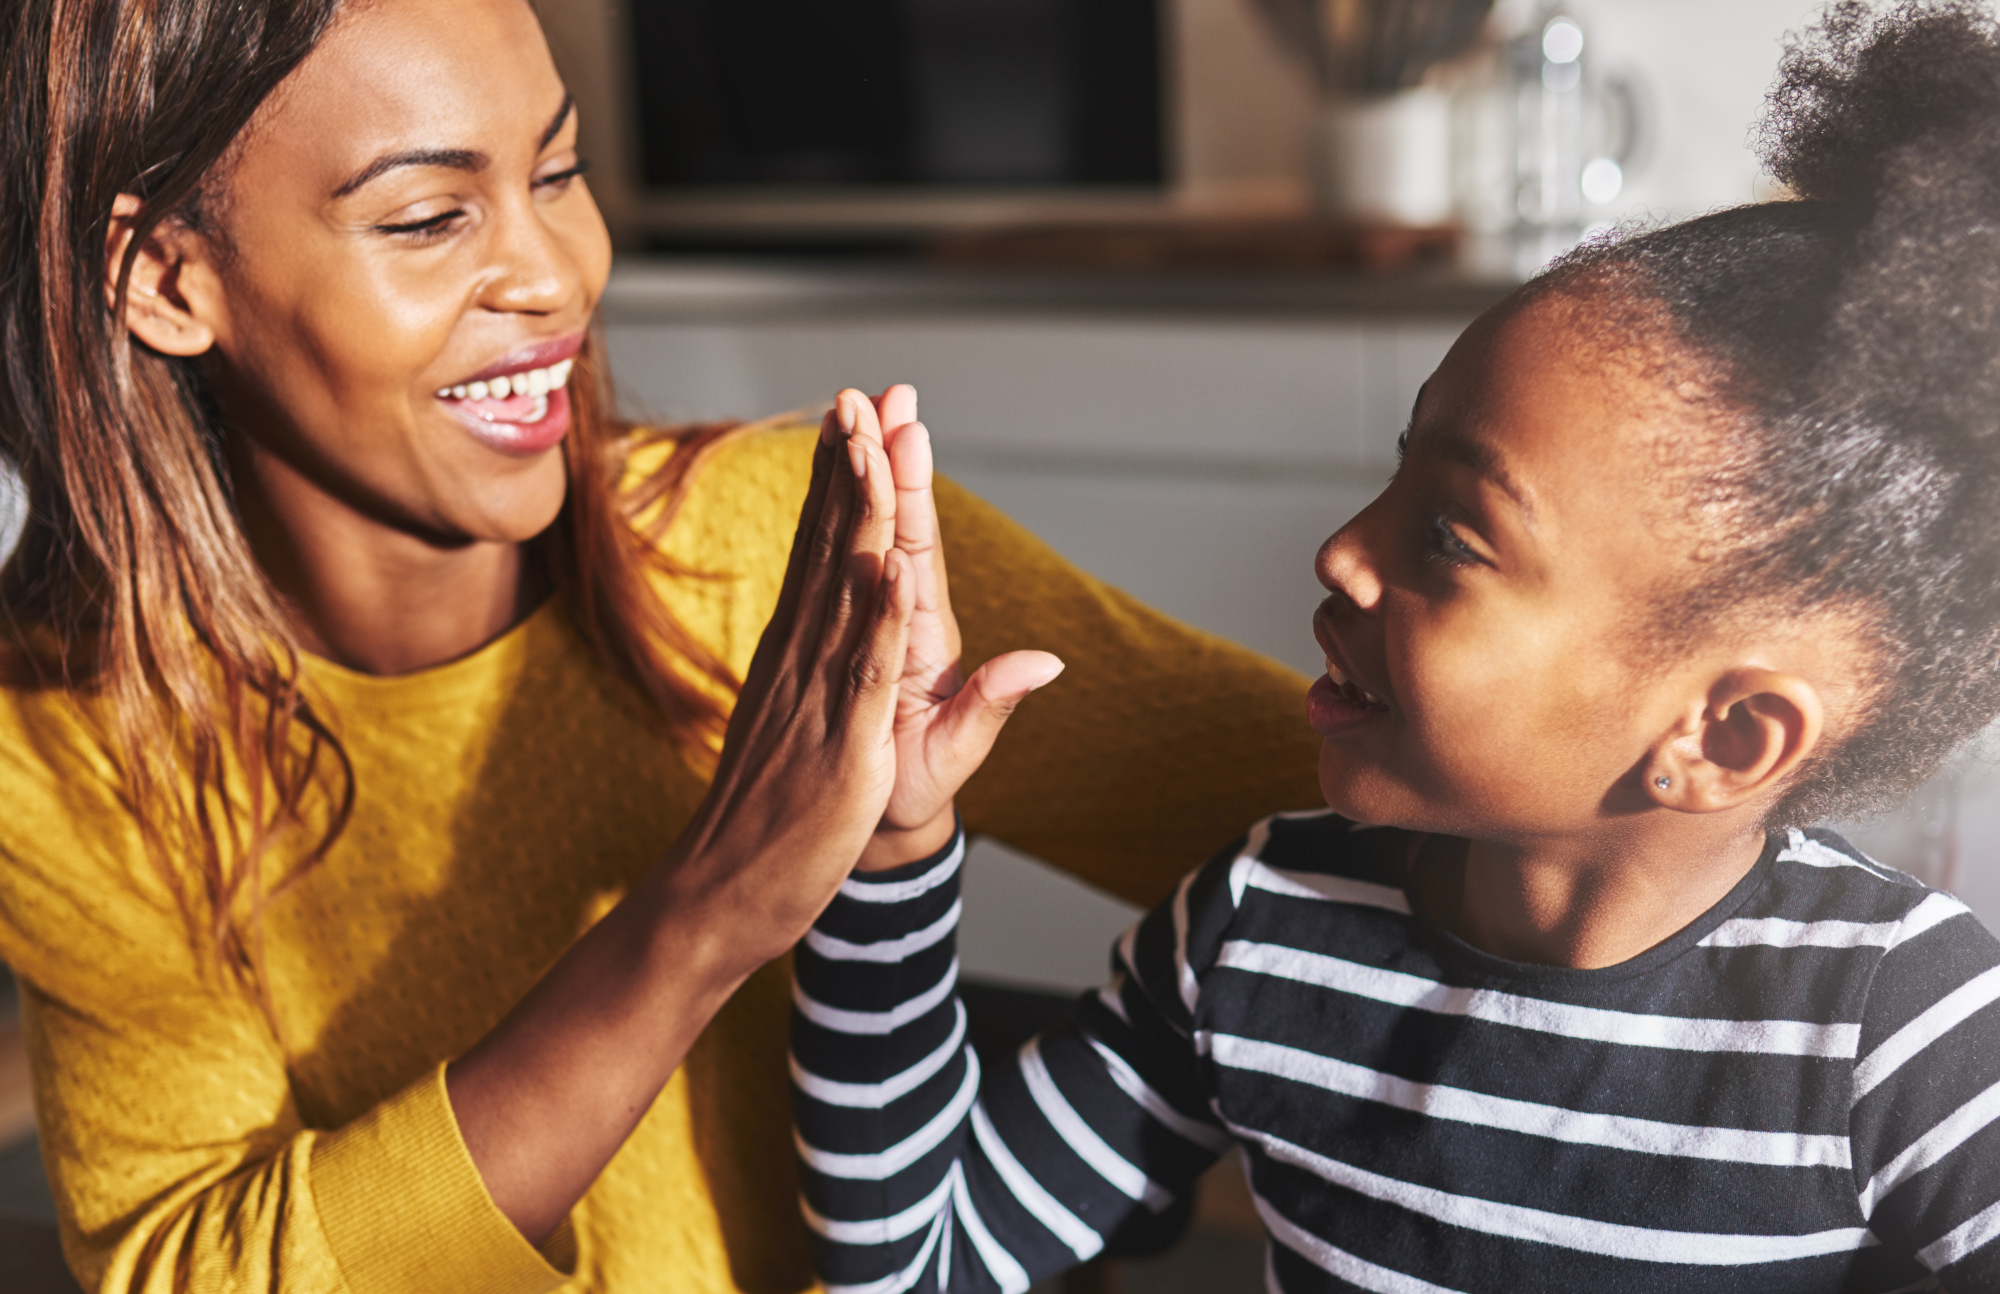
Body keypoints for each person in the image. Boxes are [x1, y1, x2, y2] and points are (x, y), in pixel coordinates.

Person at [0, 0, 1322, 1290]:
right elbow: (190, 1265)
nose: (558, 271)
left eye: (559, 170)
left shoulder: (794, 542)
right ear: (164, 276)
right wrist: (704, 915)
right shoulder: (56, 741)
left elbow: (1409, 818)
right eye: (427, 216)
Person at [791, 3, 2000, 1290]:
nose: (1342, 549)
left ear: (1722, 737)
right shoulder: (1256, 922)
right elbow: (915, 1265)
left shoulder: (1903, 1027)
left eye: (1451, 535)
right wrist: (891, 850)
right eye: (1394, 475)